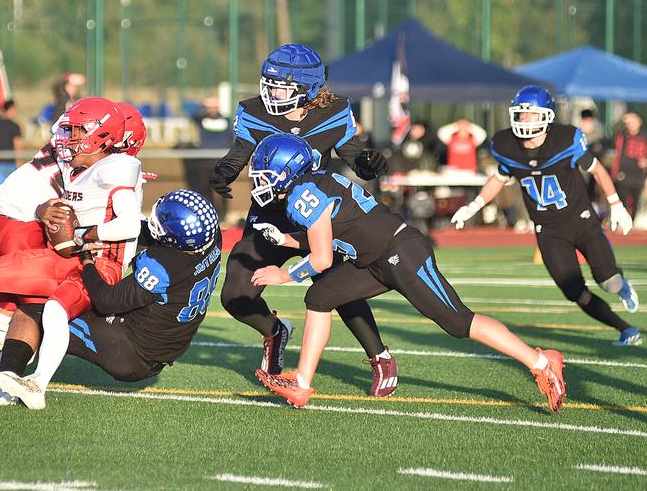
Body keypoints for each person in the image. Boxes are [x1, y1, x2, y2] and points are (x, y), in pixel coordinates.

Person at [248, 133, 567, 413]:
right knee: (320, 295)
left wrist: (284, 274)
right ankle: (301, 383)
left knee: (458, 322)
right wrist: (286, 240)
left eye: (263, 174)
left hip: (401, 251)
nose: (258, 181)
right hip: (374, 259)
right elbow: (330, 231)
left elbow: (321, 258)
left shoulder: (301, 196)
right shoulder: (314, 183)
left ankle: (541, 363)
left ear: (285, 171)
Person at [0, 98, 141, 409]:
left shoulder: (117, 167)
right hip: (65, 255)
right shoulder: (80, 163)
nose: (67, 137)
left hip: (93, 263)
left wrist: (83, 234)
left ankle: (15, 379)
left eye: (77, 131)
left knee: (37, 307)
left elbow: (128, 226)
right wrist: (46, 212)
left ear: (106, 137)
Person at [208, 43, 397, 397]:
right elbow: (240, 152)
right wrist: (225, 171)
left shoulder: (335, 110)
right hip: (268, 214)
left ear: (308, 88)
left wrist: (367, 164)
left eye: (280, 86)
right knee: (235, 294)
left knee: (339, 289)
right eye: (269, 83)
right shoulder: (253, 110)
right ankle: (275, 331)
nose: (271, 92)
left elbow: (351, 152)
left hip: (318, 217)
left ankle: (380, 356)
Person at [452, 86, 640, 346]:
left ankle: (621, 286)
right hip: (548, 229)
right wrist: (473, 206)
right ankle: (625, 328)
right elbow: (499, 177)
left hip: (581, 219)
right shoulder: (506, 145)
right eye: (522, 114)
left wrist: (616, 205)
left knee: (608, 281)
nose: (525, 120)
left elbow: (597, 170)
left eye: (532, 115)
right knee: (574, 291)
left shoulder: (566, 139)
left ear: (548, 116)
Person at [0, 190, 221, 400]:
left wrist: (88, 262)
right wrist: (96, 231)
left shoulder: (162, 266)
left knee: (33, 313)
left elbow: (106, 301)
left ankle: (6, 387)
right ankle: (21, 357)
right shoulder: (211, 239)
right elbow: (148, 235)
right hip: (164, 347)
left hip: (129, 351)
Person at [610, 112, 647, 221]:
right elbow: (614, 129)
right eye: (629, 123)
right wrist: (623, 119)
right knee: (624, 201)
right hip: (623, 175)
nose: (631, 125)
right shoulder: (623, 135)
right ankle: (623, 223)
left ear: (640, 122)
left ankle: (631, 223)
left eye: (633, 122)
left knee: (635, 203)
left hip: (638, 176)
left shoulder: (644, 136)